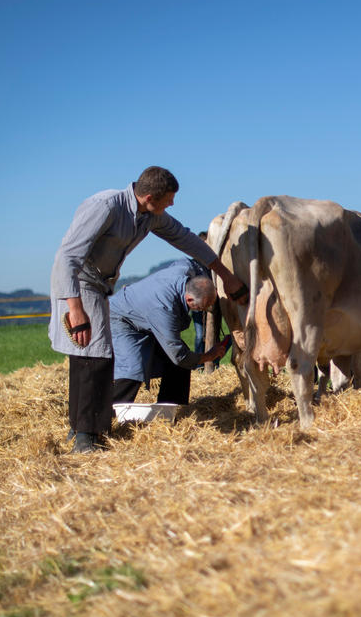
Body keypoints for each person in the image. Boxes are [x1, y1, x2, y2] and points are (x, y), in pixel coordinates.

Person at [49, 166, 247, 454]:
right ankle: (86, 438)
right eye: (169, 199)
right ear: (150, 197)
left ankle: (83, 429)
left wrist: (224, 273)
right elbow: (67, 256)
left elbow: (184, 237)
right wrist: (75, 308)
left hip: (102, 286)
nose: (172, 205)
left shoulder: (149, 216)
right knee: (93, 357)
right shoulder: (104, 207)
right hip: (80, 282)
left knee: (93, 356)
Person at [109, 259, 229, 405]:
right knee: (133, 367)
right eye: (200, 308)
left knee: (178, 365)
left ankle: (168, 410)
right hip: (121, 317)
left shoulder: (186, 272)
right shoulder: (165, 309)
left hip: (144, 314)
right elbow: (179, 355)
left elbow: (189, 262)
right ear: (189, 298)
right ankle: (110, 416)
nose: (202, 310)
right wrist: (209, 356)